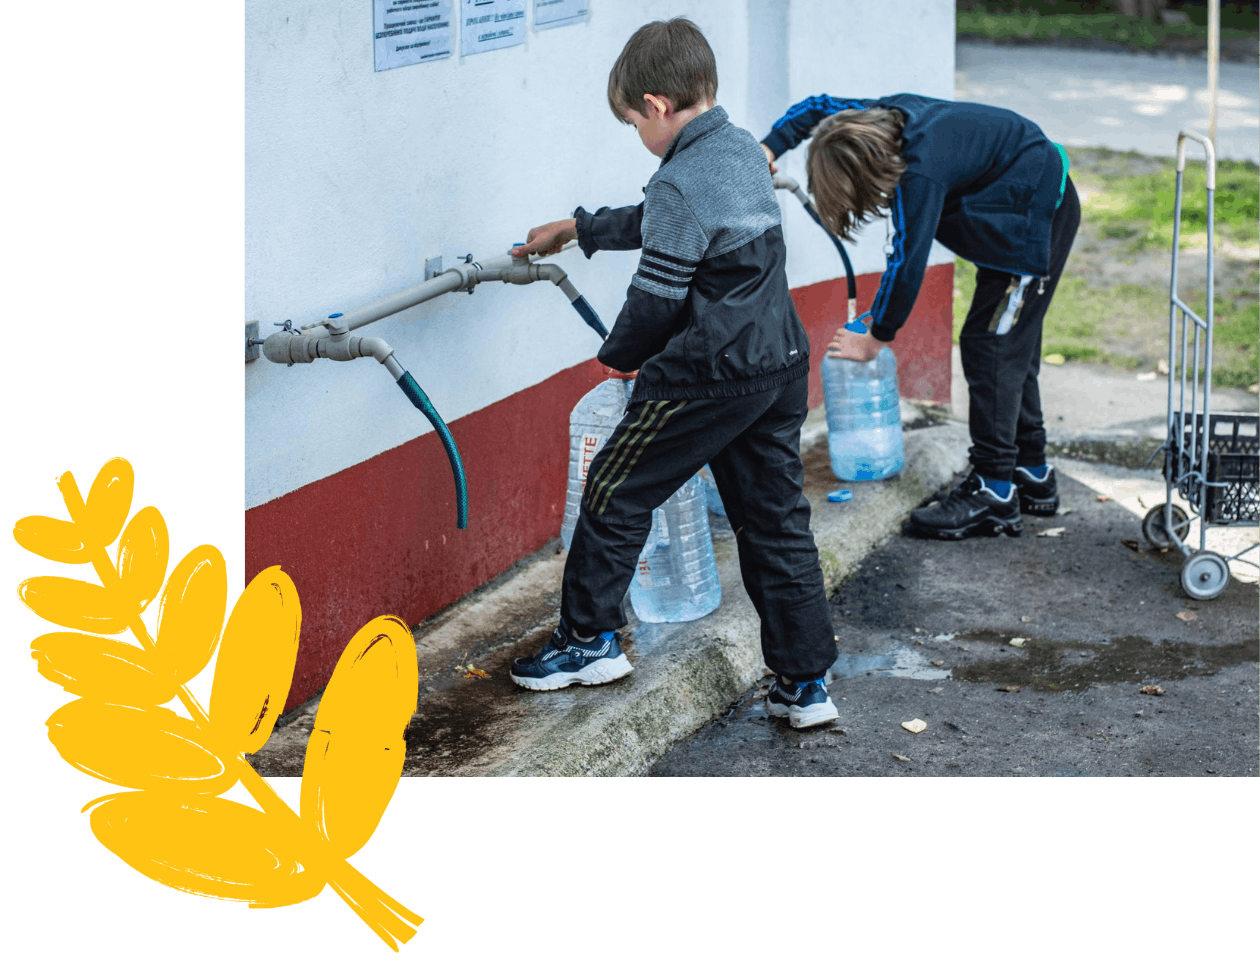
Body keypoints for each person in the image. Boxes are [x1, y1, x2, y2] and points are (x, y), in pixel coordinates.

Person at [506, 18, 840, 729]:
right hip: (777, 361)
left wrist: (617, 358)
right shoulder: (742, 151)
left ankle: (586, 641)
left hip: (708, 373)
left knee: (616, 488)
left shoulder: (679, 183)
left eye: (632, 122)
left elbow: (655, 300)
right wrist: (579, 228)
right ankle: (805, 684)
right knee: (775, 520)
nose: (637, 134)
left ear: (655, 106)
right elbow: (664, 219)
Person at [760, 94, 1080, 539]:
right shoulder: (879, 119)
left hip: (1037, 213)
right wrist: (770, 147)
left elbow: (906, 262)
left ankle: (994, 492)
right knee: (1009, 348)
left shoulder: (919, 170)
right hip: (1014, 199)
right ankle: (1030, 471)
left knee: (992, 349)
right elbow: (817, 108)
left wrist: (876, 336)